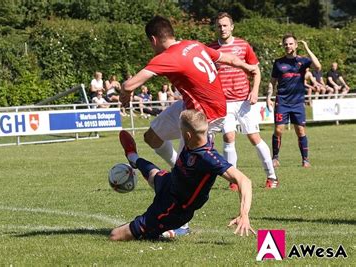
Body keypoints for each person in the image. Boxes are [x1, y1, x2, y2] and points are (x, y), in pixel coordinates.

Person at [120, 15, 258, 169]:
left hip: (205, 114)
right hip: (194, 105)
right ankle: (175, 171)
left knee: (186, 173)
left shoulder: (168, 57)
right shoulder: (193, 45)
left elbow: (127, 85)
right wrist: (248, 67)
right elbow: (230, 59)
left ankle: (238, 181)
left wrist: (125, 94)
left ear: (153, 40)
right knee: (152, 137)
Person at [110, 109, 255, 240]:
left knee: (115, 235)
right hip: (169, 183)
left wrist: (244, 214)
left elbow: (244, 181)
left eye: (180, 129)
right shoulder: (194, 140)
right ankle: (133, 157)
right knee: (153, 173)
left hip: (172, 209)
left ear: (187, 135)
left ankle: (167, 231)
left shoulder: (209, 158)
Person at [208, 12, 278, 190]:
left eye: (225, 25)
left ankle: (272, 176)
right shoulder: (210, 49)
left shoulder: (243, 45)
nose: (222, 28)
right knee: (228, 136)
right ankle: (234, 180)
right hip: (223, 102)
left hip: (244, 100)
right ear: (215, 28)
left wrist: (255, 91)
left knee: (254, 137)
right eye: (219, 25)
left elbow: (256, 70)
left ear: (232, 27)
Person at [266, 33, 322, 168]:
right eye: (286, 44)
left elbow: (318, 67)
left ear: (296, 45)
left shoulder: (303, 61)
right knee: (279, 130)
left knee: (301, 131)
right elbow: (272, 82)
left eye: (291, 43)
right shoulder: (278, 63)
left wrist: (307, 48)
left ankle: (305, 160)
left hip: (298, 102)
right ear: (283, 46)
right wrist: (268, 97)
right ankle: (275, 158)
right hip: (282, 101)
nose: (288, 46)